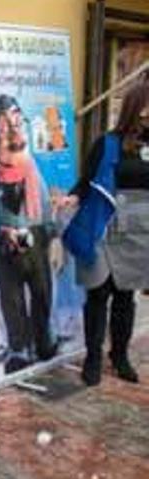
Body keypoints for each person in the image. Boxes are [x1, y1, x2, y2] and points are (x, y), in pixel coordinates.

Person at [60, 79, 149, 386]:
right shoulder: (107, 143)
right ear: (137, 108)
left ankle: (120, 356)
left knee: (126, 298)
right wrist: (72, 197)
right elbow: (87, 182)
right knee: (98, 296)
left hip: (138, 232)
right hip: (103, 228)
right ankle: (93, 358)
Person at [0, 94, 63, 375]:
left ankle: (44, 339)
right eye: (4, 130)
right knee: (11, 301)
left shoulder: (34, 176)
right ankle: (18, 347)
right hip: (6, 253)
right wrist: (1, 231)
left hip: (36, 245)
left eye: (18, 123)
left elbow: (48, 214)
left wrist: (55, 238)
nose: (15, 135)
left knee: (42, 294)